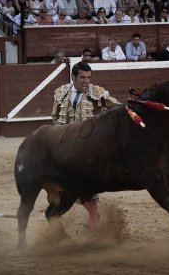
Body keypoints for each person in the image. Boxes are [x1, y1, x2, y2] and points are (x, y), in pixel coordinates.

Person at [51, 62, 121, 228]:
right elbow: (55, 117)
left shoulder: (96, 93)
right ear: (73, 77)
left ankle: (92, 217)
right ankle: (92, 217)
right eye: (82, 77)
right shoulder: (61, 93)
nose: (86, 81)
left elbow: (115, 106)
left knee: (81, 182)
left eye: (89, 77)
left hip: (89, 148)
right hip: (66, 147)